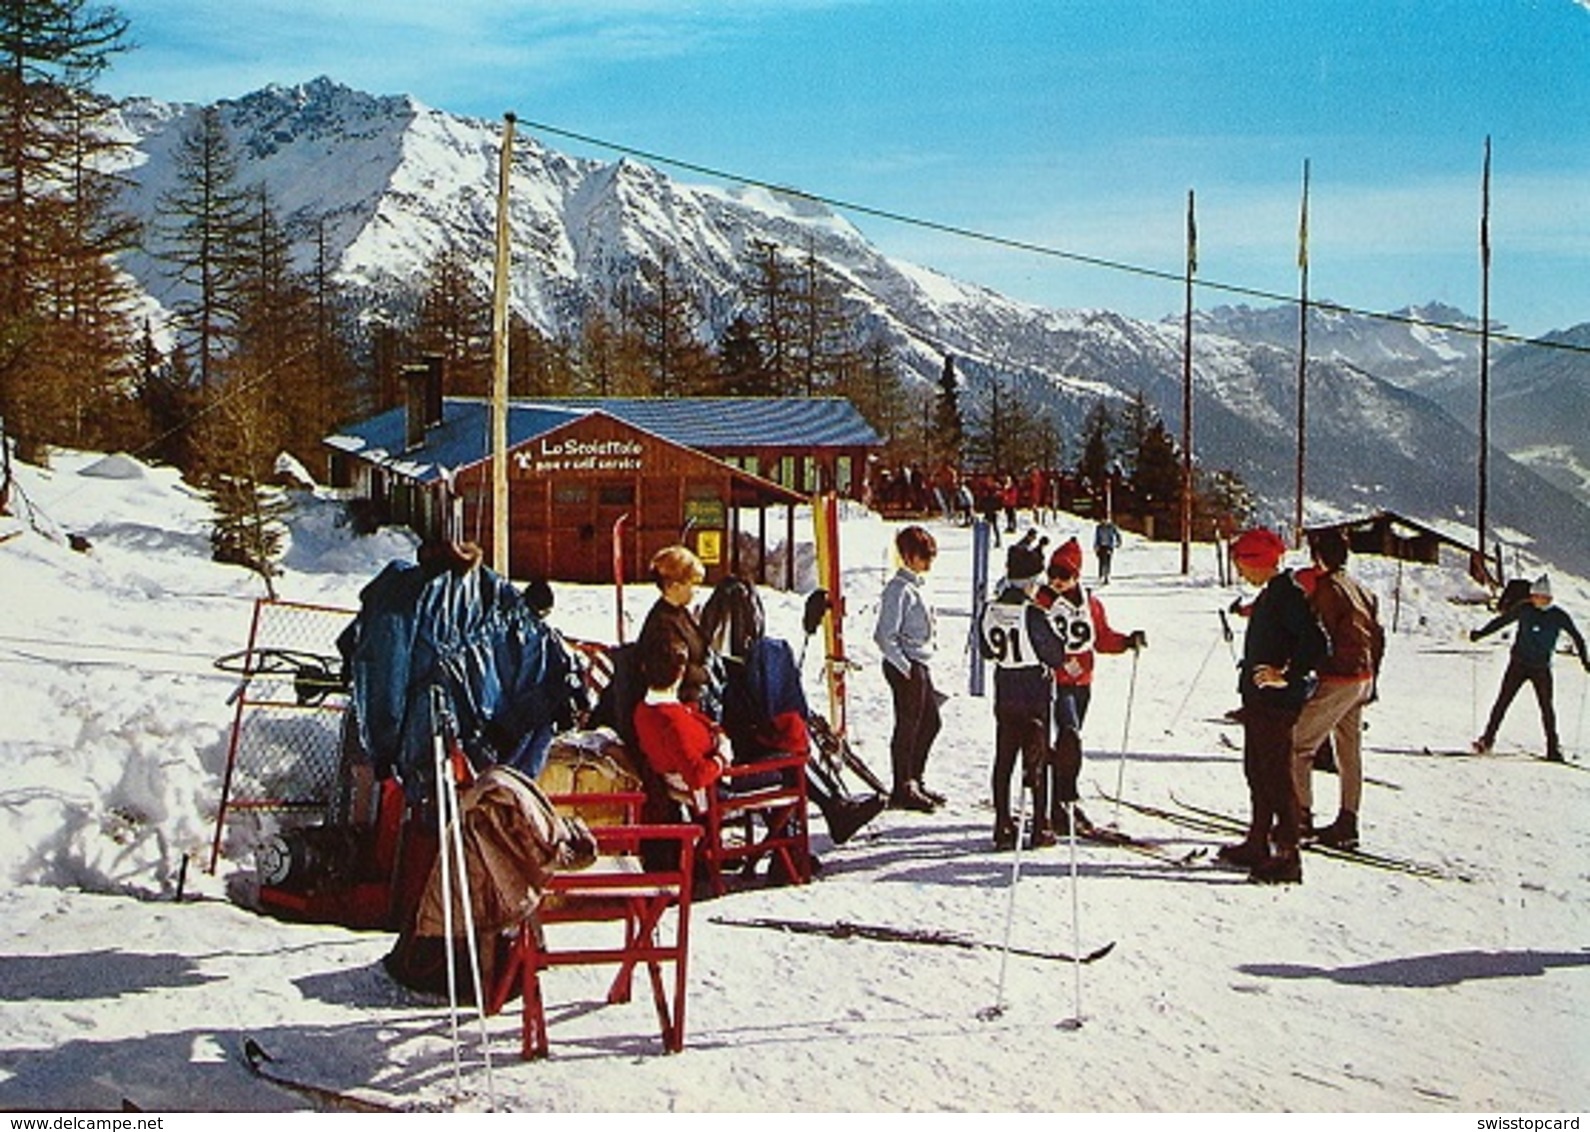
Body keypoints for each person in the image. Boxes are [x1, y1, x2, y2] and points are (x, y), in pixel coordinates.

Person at [1220, 527, 1327, 884]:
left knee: (1277, 776)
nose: (1239, 572)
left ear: (1257, 563)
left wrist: (1288, 674)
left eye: (1241, 564)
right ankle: (1258, 841)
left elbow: (1316, 644)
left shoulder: (1287, 596)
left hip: (1277, 703)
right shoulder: (1273, 594)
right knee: (1258, 771)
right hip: (1260, 701)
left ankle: (1288, 854)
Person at [1034, 536, 1145, 837]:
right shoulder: (1040, 600)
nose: (1056, 581)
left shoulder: (1091, 604)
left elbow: (1103, 638)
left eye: (1064, 575)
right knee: (1068, 736)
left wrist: (1126, 641)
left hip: (1082, 682)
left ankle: (1058, 801)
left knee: (1069, 741)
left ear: (1077, 575)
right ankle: (1063, 800)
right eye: (1052, 573)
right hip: (1052, 682)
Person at [1288, 529, 1384, 849]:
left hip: (1339, 678)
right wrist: (1373, 680)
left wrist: (1299, 670)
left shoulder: (1328, 588)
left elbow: (1317, 635)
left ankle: (1299, 818)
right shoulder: (1360, 588)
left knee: (1299, 746)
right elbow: (1378, 634)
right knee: (1349, 750)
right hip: (1363, 677)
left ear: (1319, 556)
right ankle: (1347, 822)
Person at [978, 537, 1072, 849]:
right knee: (1038, 755)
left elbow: (986, 650)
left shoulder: (990, 608)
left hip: (1005, 684)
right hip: (1033, 686)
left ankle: (1002, 822)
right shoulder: (1033, 613)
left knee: (1005, 756)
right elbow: (1055, 654)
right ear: (1031, 581)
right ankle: (1041, 823)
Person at [1470, 574, 1589, 762]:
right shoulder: (1525, 609)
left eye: (1537, 596)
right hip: (1518, 664)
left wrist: (1585, 661)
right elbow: (1502, 621)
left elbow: (1577, 637)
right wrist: (1480, 634)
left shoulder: (1558, 616)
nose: (1533, 599)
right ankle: (1487, 740)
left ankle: (1553, 748)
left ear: (1547, 598)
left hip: (1541, 668)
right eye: (1532, 595)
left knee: (1546, 708)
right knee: (1502, 702)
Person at [873, 525, 945, 811]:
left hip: (919, 663)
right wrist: (905, 666)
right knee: (908, 725)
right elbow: (884, 635)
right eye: (922, 557)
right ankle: (903, 786)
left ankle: (915, 778)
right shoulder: (898, 589)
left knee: (930, 722)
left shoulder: (916, 586)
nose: (928, 563)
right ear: (907, 556)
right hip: (905, 664)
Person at [631, 639, 734, 810]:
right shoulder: (673, 723)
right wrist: (721, 758)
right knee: (786, 770)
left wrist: (716, 730)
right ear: (680, 673)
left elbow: (692, 716)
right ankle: (777, 830)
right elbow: (697, 776)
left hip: (688, 781)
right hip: (717, 786)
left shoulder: (644, 711)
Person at [634, 545, 716, 716]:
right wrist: (706, 673)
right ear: (675, 586)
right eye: (693, 584)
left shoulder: (679, 612)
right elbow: (672, 668)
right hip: (678, 707)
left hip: (694, 698)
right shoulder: (663, 625)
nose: (697, 590)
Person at [1093, 519, 1122, 585]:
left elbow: (1117, 535)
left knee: (1107, 561)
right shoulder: (1099, 527)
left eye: (1104, 520)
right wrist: (1096, 546)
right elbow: (1097, 537)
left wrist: (1118, 542)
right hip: (1101, 546)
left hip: (1109, 546)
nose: (1103, 521)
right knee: (1101, 561)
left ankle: (1106, 576)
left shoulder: (1111, 527)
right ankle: (1101, 575)